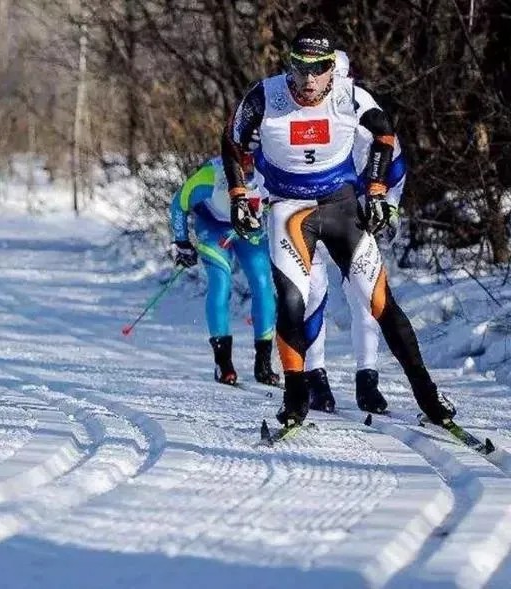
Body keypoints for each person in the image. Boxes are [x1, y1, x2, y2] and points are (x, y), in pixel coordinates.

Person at [220, 22, 455, 426]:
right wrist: (240, 196)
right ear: (289, 64)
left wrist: (378, 190)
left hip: (341, 207)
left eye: (319, 68)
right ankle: (296, 396)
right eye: (300, 68)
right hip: (290, 210)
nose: (308, 80)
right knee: (293, 300)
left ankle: (428, 396)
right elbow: (232, 139)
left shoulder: (351, 97)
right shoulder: (266, 95)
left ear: (332, 67)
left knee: (381, 302)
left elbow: (384, 136)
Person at [303, 50, 406, 414]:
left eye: (340, 83)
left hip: (355, 210)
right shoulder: (303, 111)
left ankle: (368, 381)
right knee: (312, 290)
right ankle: (315, 380)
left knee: (364, 295)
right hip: (310, 208)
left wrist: (388, 209)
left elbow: (396, 168)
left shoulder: (363, 109)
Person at [169, 155, 281, 387]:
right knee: (221, 282)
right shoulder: (211, 176)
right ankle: (224, 363)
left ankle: (263, 363)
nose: (250, 167)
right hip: (213, 227)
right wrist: (182, 242)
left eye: (255, 160)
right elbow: (179, 202)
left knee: (262, 284)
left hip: (249, 228)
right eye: (243, 161)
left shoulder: (271, 167)